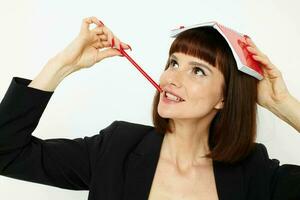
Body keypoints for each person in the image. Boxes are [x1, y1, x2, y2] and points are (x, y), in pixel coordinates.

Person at [0, 16, 299, 200]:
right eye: (173, 63)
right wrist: (62, 65)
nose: (172, 78)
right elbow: (6, 154)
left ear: (224, 98)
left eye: (198, 71)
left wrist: (282, 104)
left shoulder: (254, 170)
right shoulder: (116, 148)